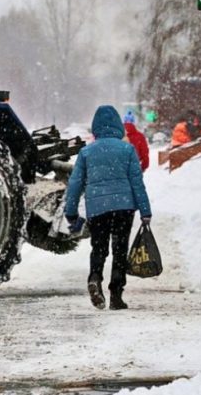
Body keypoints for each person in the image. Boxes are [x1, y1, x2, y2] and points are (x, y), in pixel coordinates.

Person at [64, 105, 152, 310]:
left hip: (98, 207)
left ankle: (95, 277)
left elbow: (75, 184)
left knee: (99, 247)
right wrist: (145, 210)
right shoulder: (127, 149)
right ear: (117, 126)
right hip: (124, 207)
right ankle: (116, 295)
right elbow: (137, 182)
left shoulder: (86, 152)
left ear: (96, 127)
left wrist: (71, 211)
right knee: (120, 249)